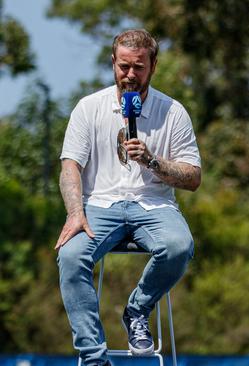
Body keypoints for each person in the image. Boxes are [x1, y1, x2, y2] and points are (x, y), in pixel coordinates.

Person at [56, 29, 201, 366]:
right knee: (70, 254)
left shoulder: (173, 112)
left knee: (180, 245)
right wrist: (75, 212)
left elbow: (193, 178)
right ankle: (94, 357)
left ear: (153, 66)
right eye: (123, 67)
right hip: (100, 205)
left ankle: (137, 311)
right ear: (113, 63)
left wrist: (152, 161)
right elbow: (69, 167)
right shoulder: (88, 107)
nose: (130, 75)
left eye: (138, 67)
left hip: (154, 205)